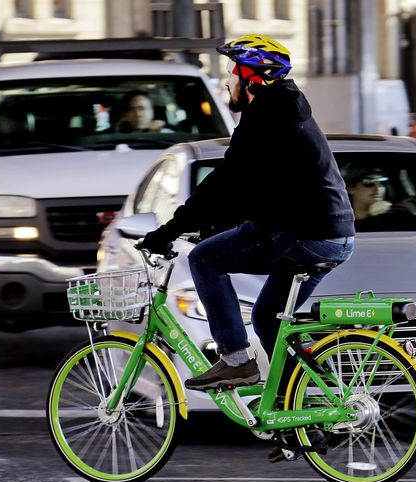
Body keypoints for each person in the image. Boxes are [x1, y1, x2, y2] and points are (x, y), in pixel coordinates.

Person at [138, 34, 355, 392]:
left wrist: (168, 231)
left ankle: (236, 362)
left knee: (205, 260)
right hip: (336, 236)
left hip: (305, 233)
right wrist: (216, 223)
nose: (226, 80)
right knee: (268, 320)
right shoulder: (286, 113)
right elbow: (256, 188)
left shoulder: (265, 117)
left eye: (231, 72)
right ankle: (308, 410)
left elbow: (224, 182)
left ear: (253, 78)